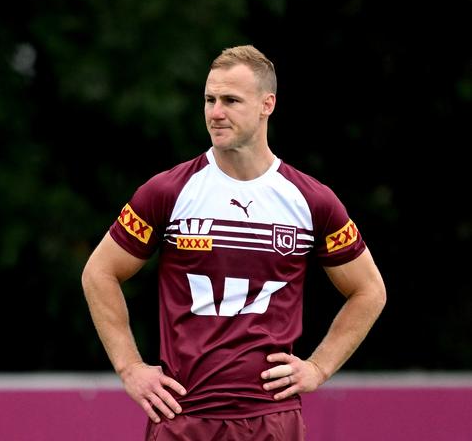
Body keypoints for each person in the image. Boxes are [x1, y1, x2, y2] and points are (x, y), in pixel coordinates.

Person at [81, 45, 386, 440]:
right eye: (210, 99)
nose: (215, 112)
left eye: (230, 100)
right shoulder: (167, 191)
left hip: (271, 419)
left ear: (267, 104)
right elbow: (99, 272)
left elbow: (369, 290)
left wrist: (318, 367)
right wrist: (130, 368)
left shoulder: (311, 200)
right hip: (184, 416)